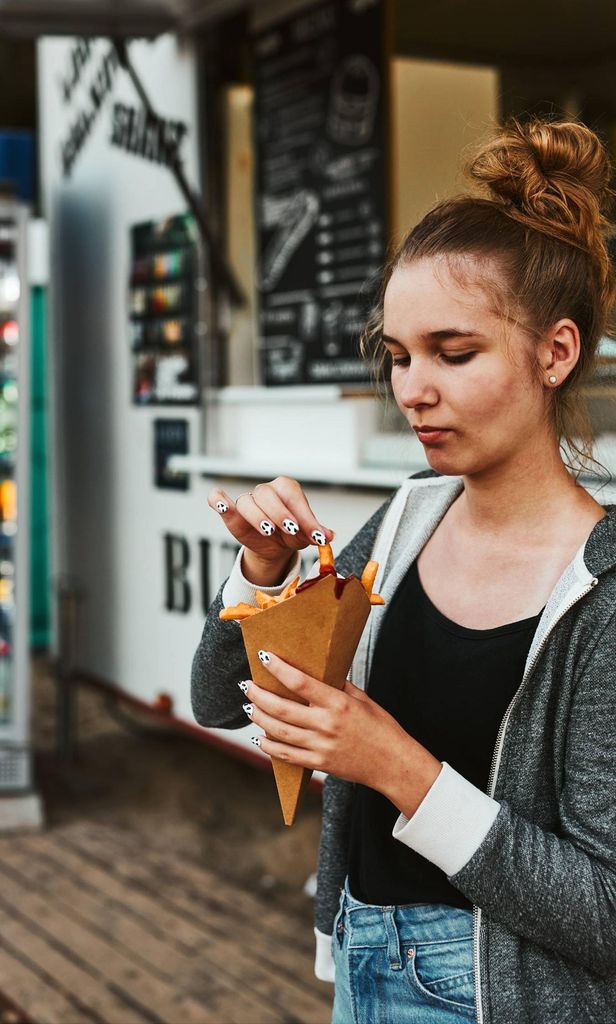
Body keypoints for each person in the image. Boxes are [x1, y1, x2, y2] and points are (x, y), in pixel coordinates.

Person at [190, 117, 616, 1024]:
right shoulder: (405, 523)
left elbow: (606, 913)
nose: (412, 390)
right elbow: (222, 702)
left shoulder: (603, 594)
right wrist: (261, 575)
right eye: (397, 355)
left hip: (498, 997)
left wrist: (396, 767)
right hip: (359, 958)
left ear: (557, 352)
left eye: (453, 354)